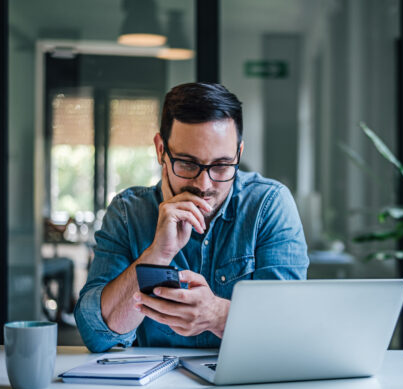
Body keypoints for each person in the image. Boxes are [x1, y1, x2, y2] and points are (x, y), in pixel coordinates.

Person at [75, 83, 309, 353]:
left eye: (221, 166)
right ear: (161, 149)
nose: (204, 184)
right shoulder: (128, 213)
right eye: (187, 163)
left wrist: (219, 316)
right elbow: (96, 335)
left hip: (245, 388)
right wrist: (157, 255)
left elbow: (289, 329)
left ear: (239, 154)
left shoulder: (269, 206)